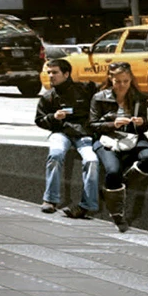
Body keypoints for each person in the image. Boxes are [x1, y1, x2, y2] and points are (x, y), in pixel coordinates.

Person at [90, 61, 148, 230]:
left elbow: (145, 126)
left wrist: (141, 123)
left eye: (125, 81)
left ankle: (121, 185)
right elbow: (92, 125)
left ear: (130, 79)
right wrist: (113, 124)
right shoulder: (99, 97)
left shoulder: (138, 97)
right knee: (113, 171)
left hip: (132, 137)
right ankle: (118, 216)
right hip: (107, 138)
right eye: (118, 81)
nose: (122, 85)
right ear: (111, 80)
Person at [36, 57, 100, 219]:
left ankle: (87, 205)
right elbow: (39, 120)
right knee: (55, 155)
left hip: (83, 134)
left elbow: (103, 97)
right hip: (60, 133)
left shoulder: (85, 89)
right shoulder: (48, 97)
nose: (51, 75)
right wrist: (53, 117)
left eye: (55, 72)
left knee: (92, 160)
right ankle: (50, 200)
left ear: (66, 74)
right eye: (49, 72)